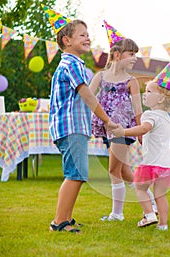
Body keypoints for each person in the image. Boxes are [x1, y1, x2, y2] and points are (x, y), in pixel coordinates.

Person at [42, 5, 117, 233]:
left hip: (73, 128)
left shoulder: (74, 64)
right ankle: (59, 222)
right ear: (67, 40)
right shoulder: (71, 64)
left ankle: (66, 217)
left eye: (88, 34)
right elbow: (87, 95)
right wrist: (106, 120)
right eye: (82, 35)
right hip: (70, 127)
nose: (88, 38)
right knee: (76, 174)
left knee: (77, 173)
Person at [90, 20, 157, 221]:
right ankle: (151, 202)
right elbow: (87, 96)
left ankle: (117, 214)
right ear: (117, 55)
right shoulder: (100, 76)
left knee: (113, 169)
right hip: (105, 127)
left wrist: (141, 132)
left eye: (136, 54)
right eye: (131, 54)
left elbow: (138, 109)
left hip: (122, 129)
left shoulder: (132, 81)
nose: (135, 58)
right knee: (123, 169)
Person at [112, 57, 170, 230]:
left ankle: (149, 215)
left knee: (140, 187)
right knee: (160, 195)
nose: (145, 93)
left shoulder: (149, 115)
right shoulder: (166, 117)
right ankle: (163, 225)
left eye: (149, 91)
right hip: (166, 164)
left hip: (152, 163)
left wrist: (123, 132)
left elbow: (143, 129)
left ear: (159, 100)